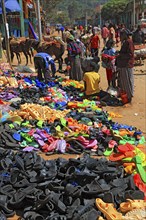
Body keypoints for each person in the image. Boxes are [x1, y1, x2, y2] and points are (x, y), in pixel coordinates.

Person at [116, 29, 134, 103]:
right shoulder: (125, 42)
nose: (120, 36)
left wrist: (120, 55)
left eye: (121, 34)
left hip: (126, 64)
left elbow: (130, 54)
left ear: (125, 35)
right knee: (124, 81)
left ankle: (129, 97)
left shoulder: (128, 42)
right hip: (124, 64)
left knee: (127, 82)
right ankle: (126, 96)